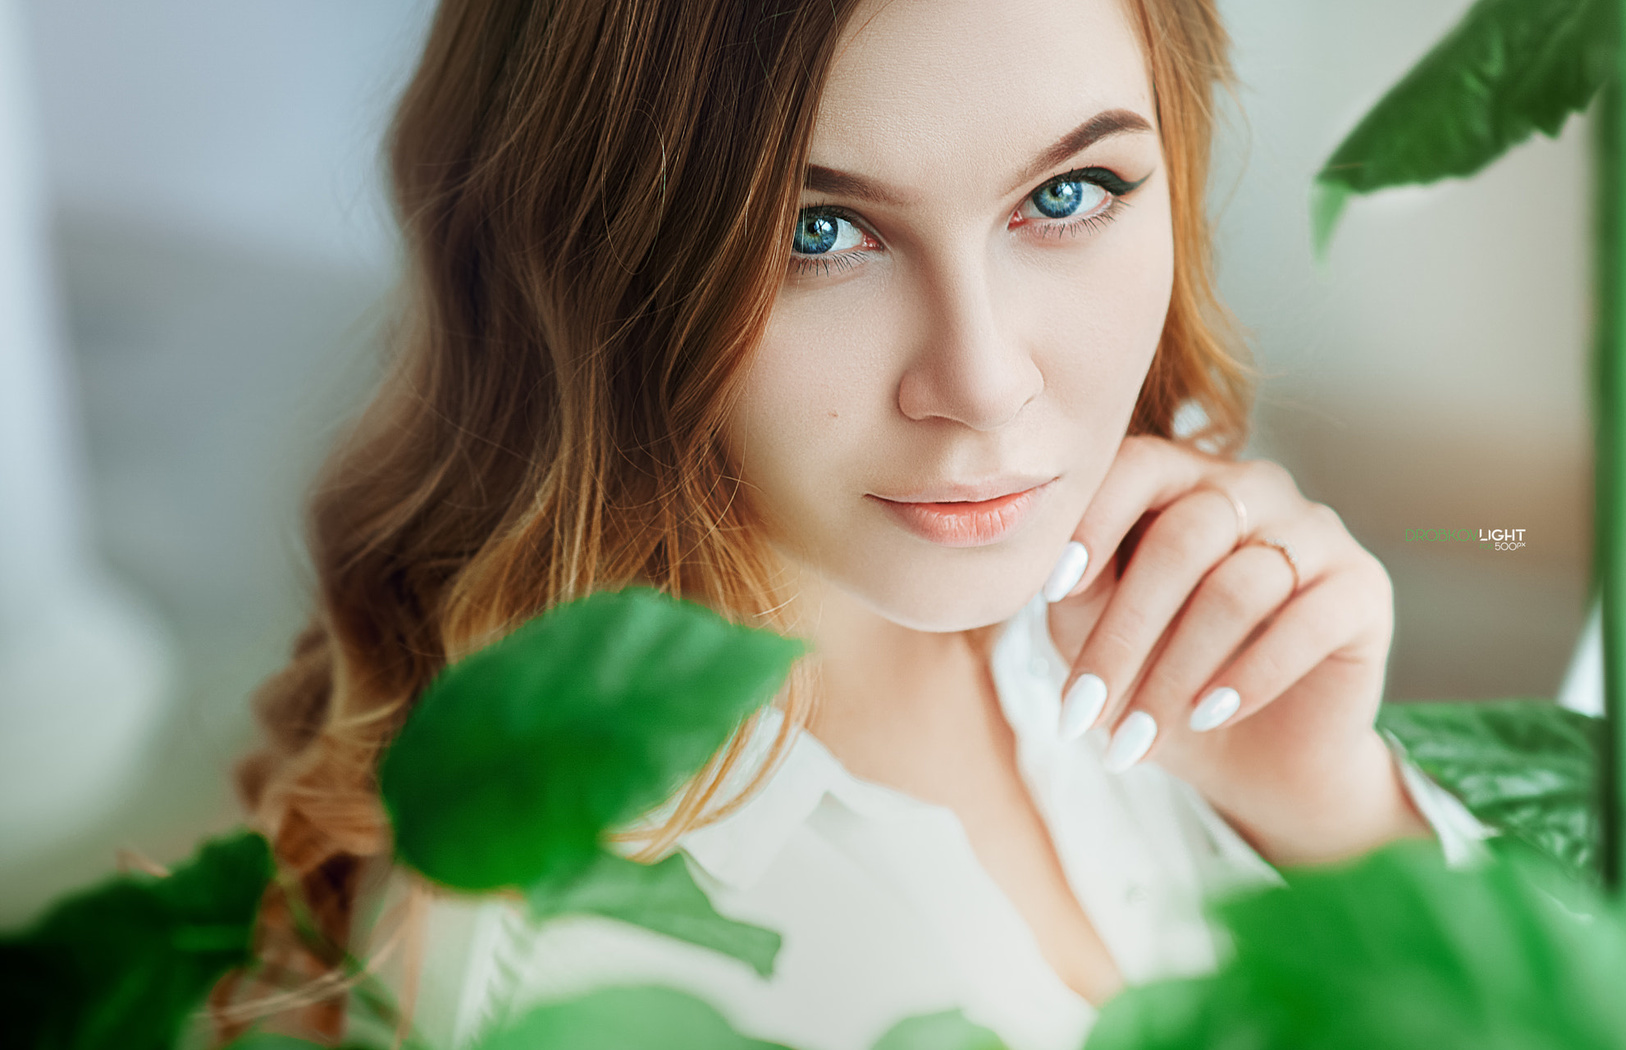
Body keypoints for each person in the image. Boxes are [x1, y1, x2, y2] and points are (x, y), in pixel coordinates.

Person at [224, 0, 1488, 1047]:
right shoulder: (569, 960)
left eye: (1067, 196)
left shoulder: (1152, 567)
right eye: (816, 231)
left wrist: (1345, 822)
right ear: (593, 258)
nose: (986, 382)